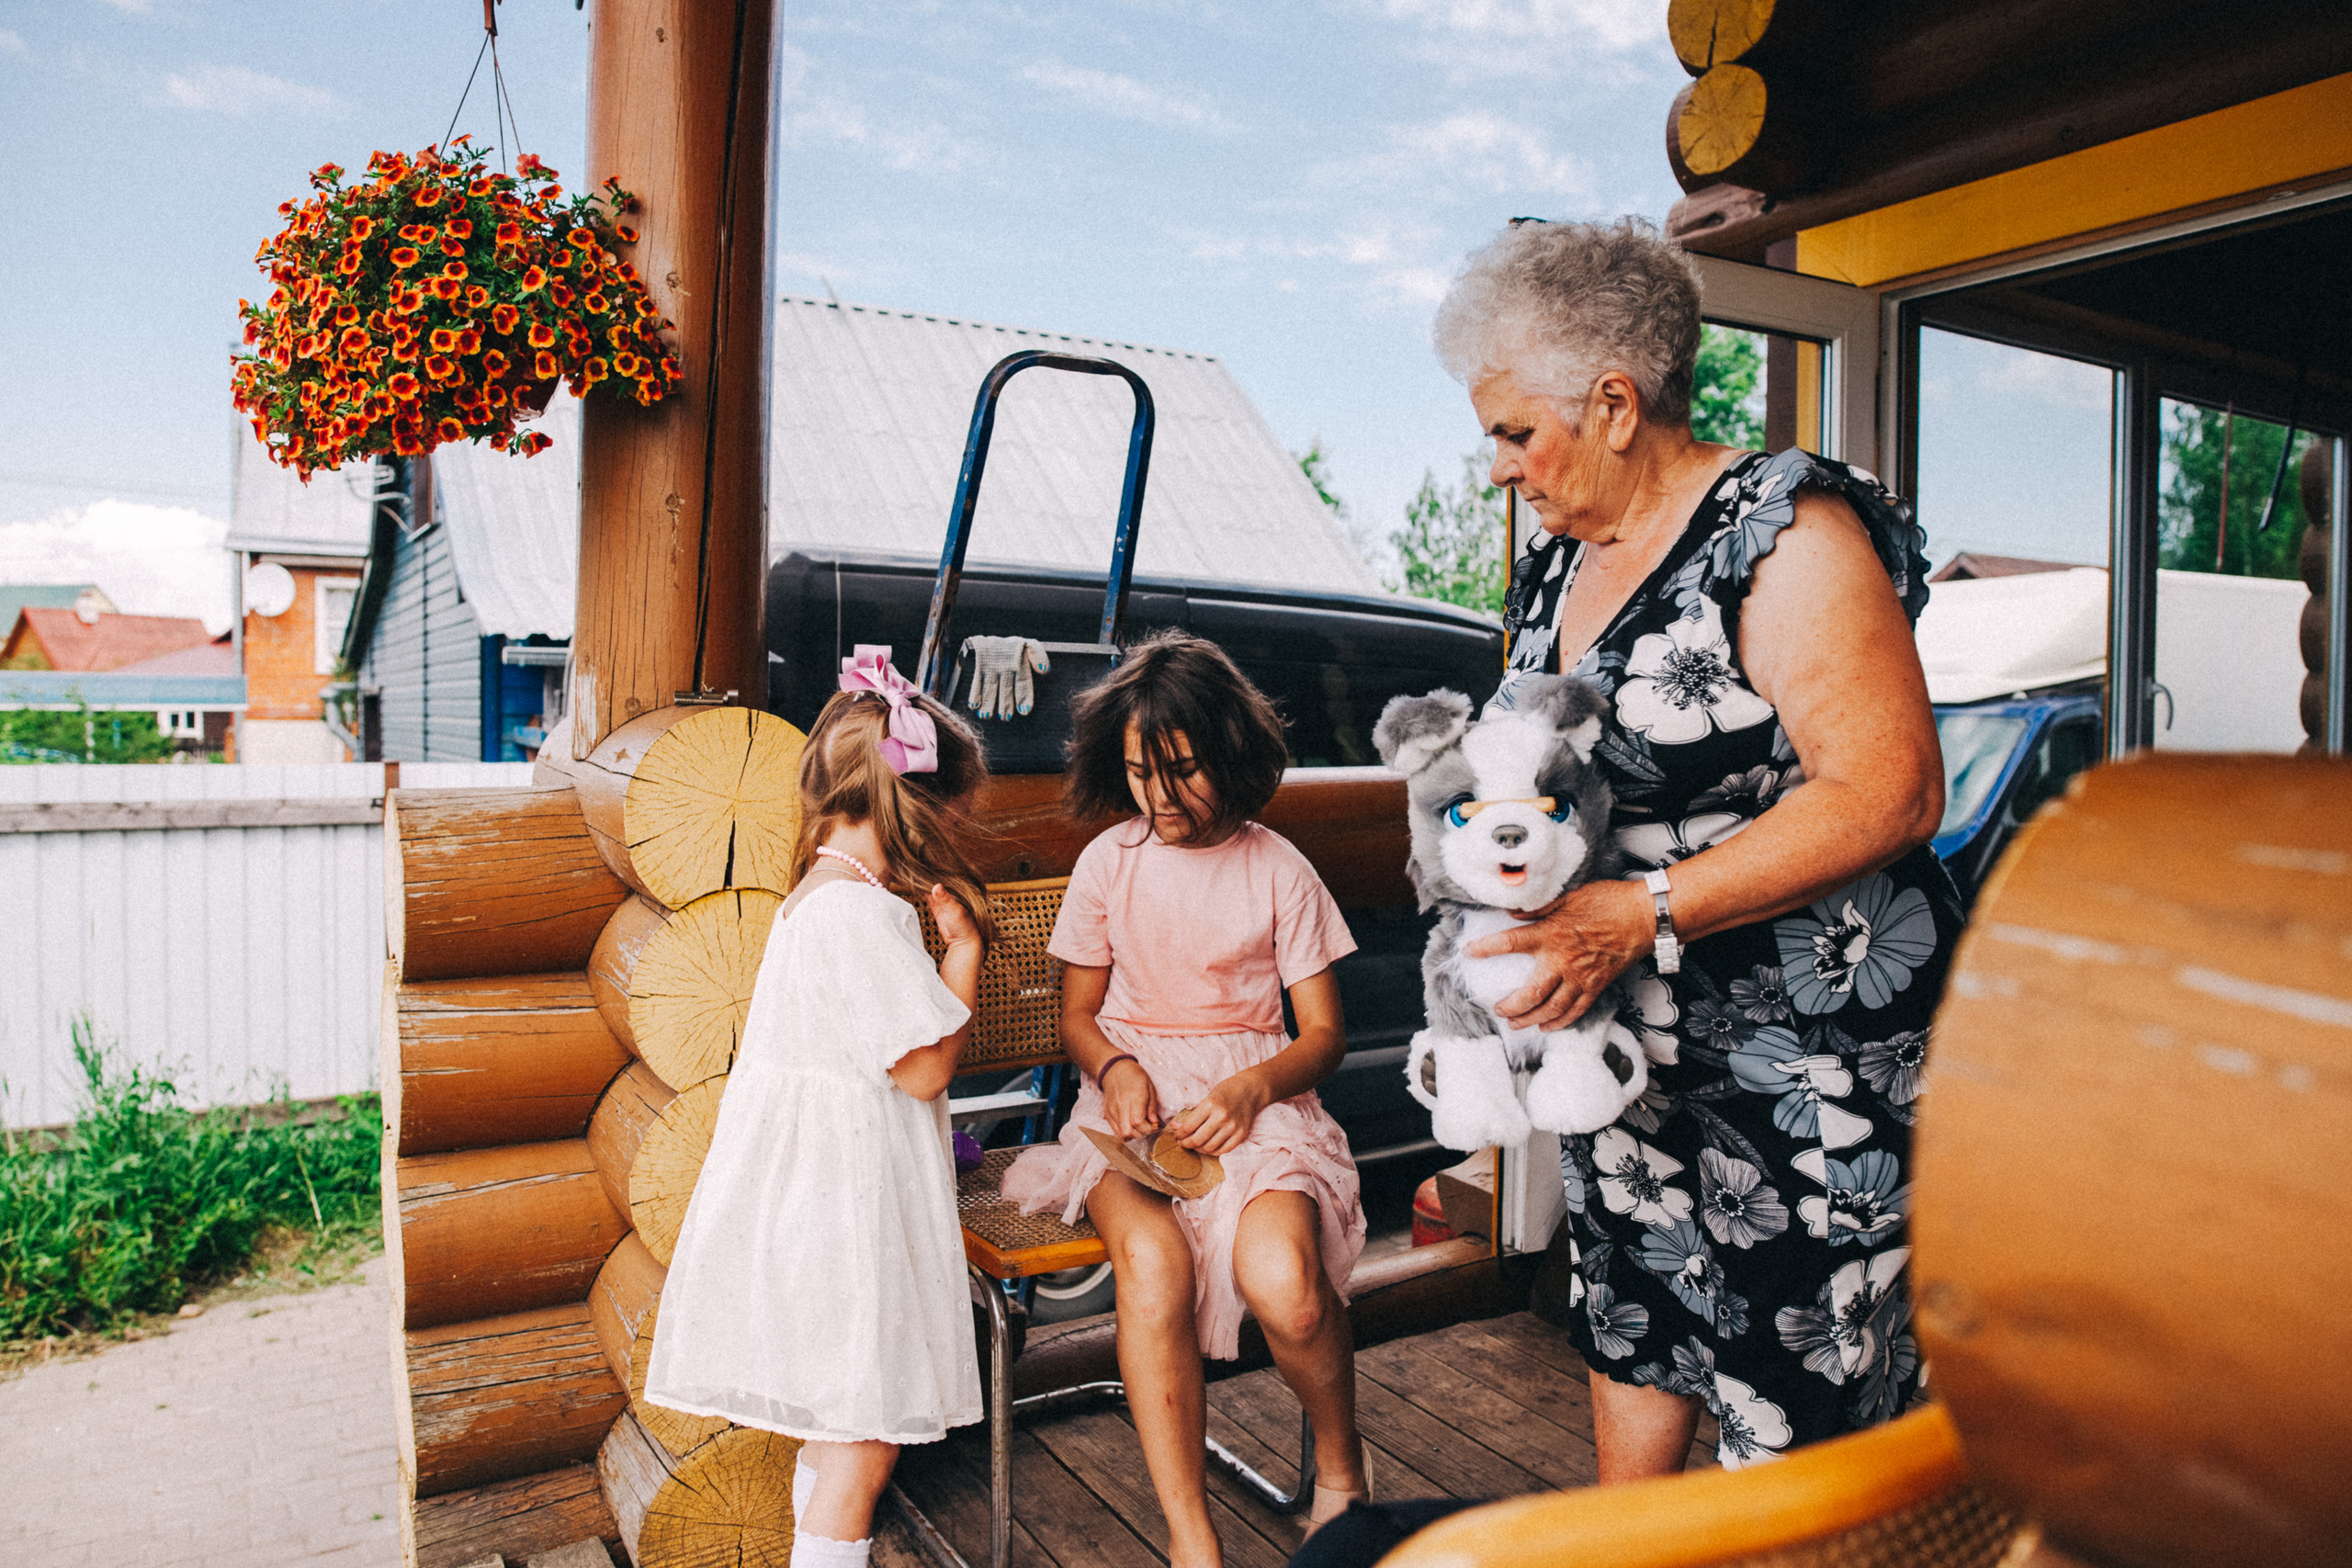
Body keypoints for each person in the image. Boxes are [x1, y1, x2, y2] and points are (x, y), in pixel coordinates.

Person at [1297, 216, 1957, 1563]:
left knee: (1801, 1383)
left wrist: (1639, 912)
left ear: (1612, 402)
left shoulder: (1781, 531)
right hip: (1629, 1046)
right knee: (1636, 1308)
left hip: (1804, 1055)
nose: (1498, 470)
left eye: (1513, 434)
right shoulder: (1554, 568)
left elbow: (1888, 790)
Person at [1001, 631, 1373, 1568]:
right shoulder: (1108, 864)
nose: (1159, 800)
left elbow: (1322, 1036)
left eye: (1181, 772)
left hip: (1256, 1107)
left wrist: (1255, 1085)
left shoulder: (1278, 867)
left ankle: (1341, 1472)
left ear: (1232, 756)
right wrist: (1116, 1068)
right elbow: (1078, 1016)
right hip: (1127, 1119)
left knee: (1287, 1291)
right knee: (1155, 1272)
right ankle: (1191, 1537)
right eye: (1137, 775)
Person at [644, 647, 997, 1568]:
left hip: (815, 1208)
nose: (958, 828)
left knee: (838, 1430)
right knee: (864, 1439)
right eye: (953, 810)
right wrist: (962, 951)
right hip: (847, 1222)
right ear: (914, 806)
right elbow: (922, 1070)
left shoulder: (821, 897)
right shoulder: (861, 916)